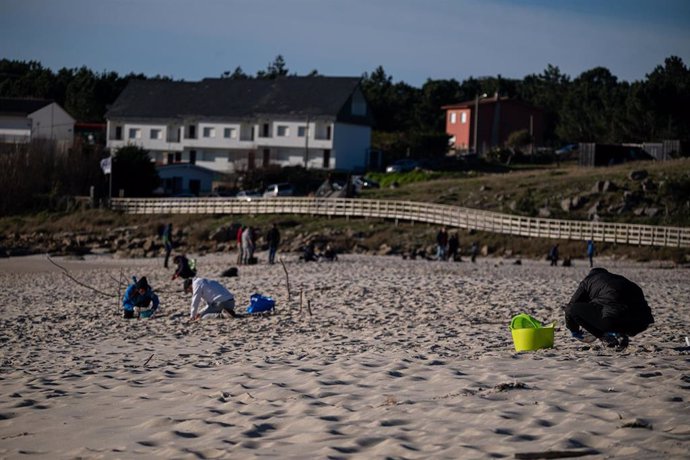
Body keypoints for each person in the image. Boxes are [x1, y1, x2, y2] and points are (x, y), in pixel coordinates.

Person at [564, 268, 654, 350]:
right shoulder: (618, 278)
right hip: (641, 323)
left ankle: (606, 336)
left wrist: (574, 330)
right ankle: (619, 334)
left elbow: (570, 307)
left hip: (614, 319)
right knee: (612, 308)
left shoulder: (588, 281)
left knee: (573, 309)